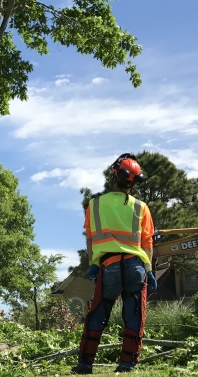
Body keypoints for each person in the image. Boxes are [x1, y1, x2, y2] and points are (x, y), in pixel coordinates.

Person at [72, 153, 156, 374]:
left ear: (114, 175)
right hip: (136, 266)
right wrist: (149, 269)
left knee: (98, 314)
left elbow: (90, 238)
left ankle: (85, 364)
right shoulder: (141, 208)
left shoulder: (94, 204)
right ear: (134, 182)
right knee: (135, 315)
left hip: (108, 266)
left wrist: (93, 263)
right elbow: (147, 243)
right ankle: (127, 363)